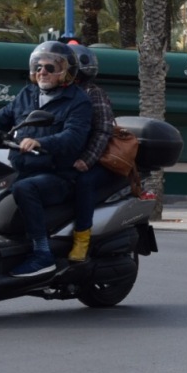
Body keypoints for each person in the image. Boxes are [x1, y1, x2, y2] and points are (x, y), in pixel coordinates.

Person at [0, 41, 92, 276]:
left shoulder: (78, 101)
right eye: (38, 67)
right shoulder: (28, 94)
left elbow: (74, 137)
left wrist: (41, 142)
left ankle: (42, 254)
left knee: (26, 189)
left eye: (50, 67)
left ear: (66, 71)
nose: (42, 72)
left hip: (58, 175)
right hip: (22, 170)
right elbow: (0, 118)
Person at [65, 43, 116, 263]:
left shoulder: (93, 94)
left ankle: (82, 239)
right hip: (67, 157)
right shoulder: (56, 94)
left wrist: (87, 160)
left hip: (94, 161)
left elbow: (104, 129)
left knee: (84, 182)